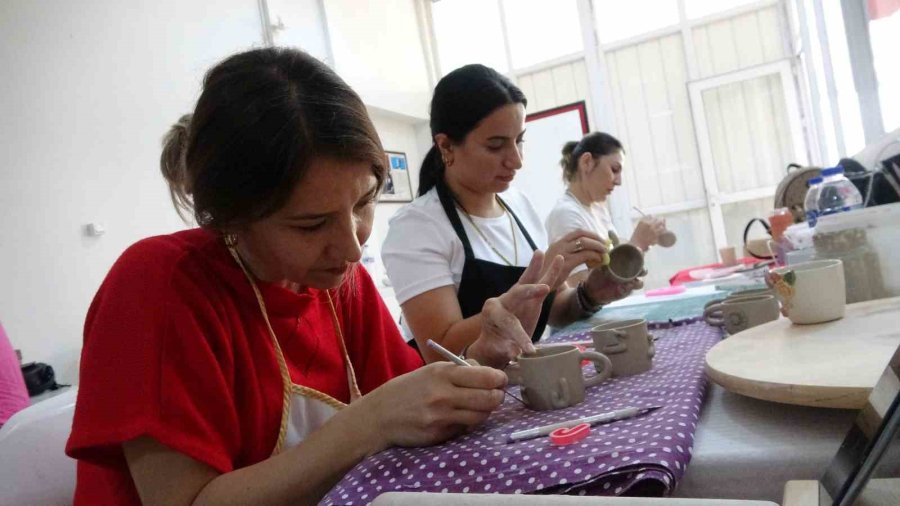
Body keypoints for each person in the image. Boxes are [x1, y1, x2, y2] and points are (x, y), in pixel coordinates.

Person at [64, 48, 558, 505]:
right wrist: (368, 423)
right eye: (310, 224)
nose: (351, 246)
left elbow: (416, 410)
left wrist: (478, 361)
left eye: (364, 203)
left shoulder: (339, 282)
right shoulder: (161, 287)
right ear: (232, 217)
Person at [382, 65, 642, 366]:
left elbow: (553, 309)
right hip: (465, 401)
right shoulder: (418, 227)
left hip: (530, 379)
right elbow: (441, 348)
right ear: (446, 146)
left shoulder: (519, 205)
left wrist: (591, 293)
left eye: (519, 140)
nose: (516, 161)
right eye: (496, 146)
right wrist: (545, 276)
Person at [545, 132, 666, 285]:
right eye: (614, 169)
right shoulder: (566, 214)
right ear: (587, 162)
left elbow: (612, 266)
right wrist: (637, 245)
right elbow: (579, 291)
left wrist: (639, 250)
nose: (619, 181)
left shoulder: (599, 209)